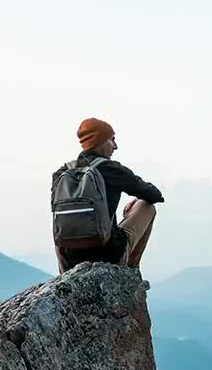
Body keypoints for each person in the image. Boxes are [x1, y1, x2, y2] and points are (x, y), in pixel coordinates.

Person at [54, 117, 164, 273]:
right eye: (112, 140)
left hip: (68, 263)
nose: (116, 146)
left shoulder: (61, 173)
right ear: (100, 141)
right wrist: (134, 202)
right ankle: (130, 271)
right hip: (108, 256)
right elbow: (155, 195)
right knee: (146, 206)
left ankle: (64, 272)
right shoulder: (111, 169)